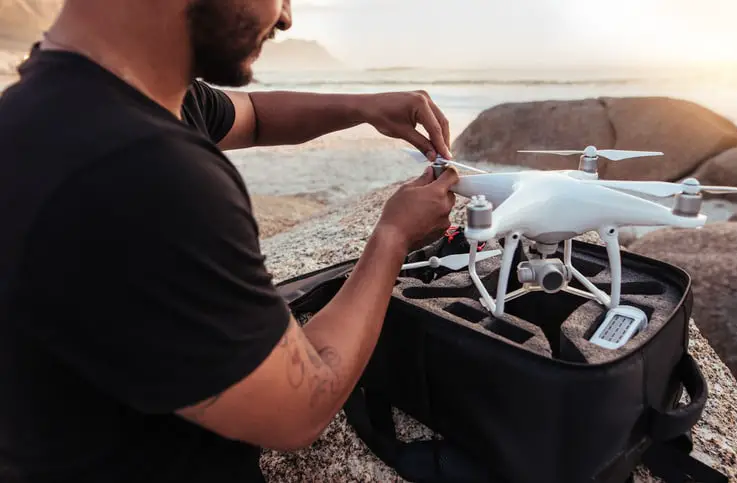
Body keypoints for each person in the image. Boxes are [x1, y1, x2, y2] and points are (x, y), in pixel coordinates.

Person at [0, 0, 459, 482]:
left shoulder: (56, 107)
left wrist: (361, 107)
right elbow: (299, 408)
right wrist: (392, 237)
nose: (285, 17)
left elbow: (254, 116)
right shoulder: (143, 173)